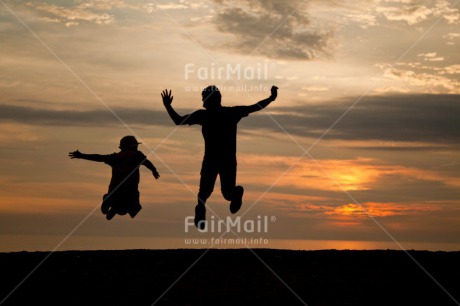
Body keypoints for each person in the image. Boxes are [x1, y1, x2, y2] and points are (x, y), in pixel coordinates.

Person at [161, 85, 278, 229]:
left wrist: (167, 106)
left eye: (204, 99)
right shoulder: (220, 114)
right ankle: (202, 209)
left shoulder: (216, 114)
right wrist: (271, 98)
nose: (203, 102)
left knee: (220, 193)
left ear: (211, 100)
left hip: (222, 161)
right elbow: (254, 107)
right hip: (217, 160)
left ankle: (235, 194)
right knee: (206, 192)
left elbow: (254, 107)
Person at [69, 135, 160, 220]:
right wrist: (154, 170)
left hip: (114, 190)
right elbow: (146, 162)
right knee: (132, 209)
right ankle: (113, 206)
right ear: (133, 146)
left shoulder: (115, 157)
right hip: (130, 191)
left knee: (125, 206)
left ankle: (111, 202)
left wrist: (81, 155)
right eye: (136, 146)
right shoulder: (136, 155)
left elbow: (99, 157)